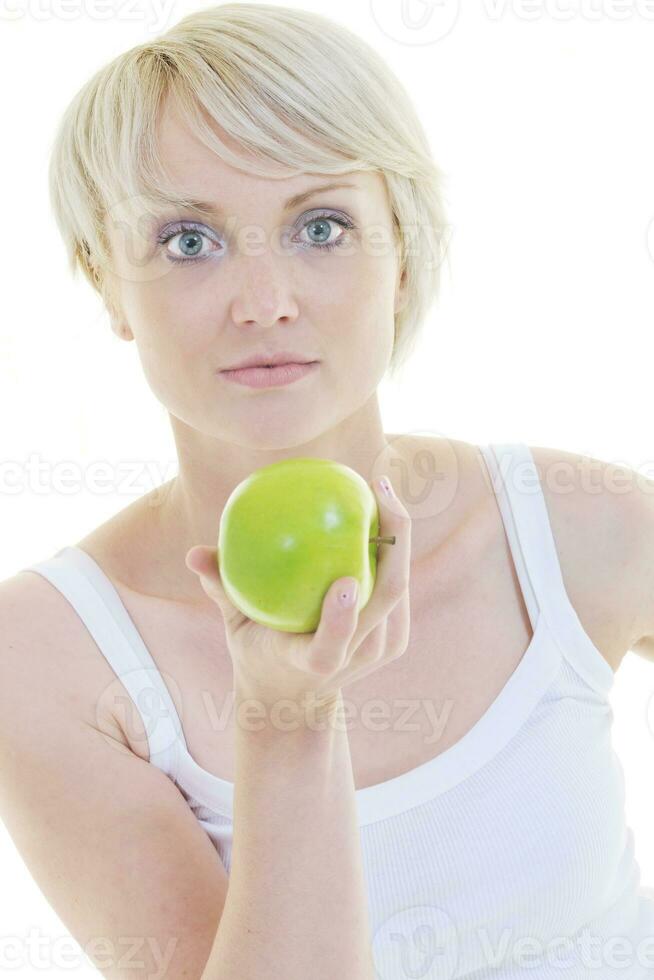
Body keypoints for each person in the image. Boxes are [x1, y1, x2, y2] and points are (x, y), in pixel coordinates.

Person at [1, 4, 653, 978]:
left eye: (321, 225)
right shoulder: (43, 655)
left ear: (402, 248)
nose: (265, 300)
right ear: (104, 279)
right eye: (188, 240)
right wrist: (288, 721)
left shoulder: (575, 526)